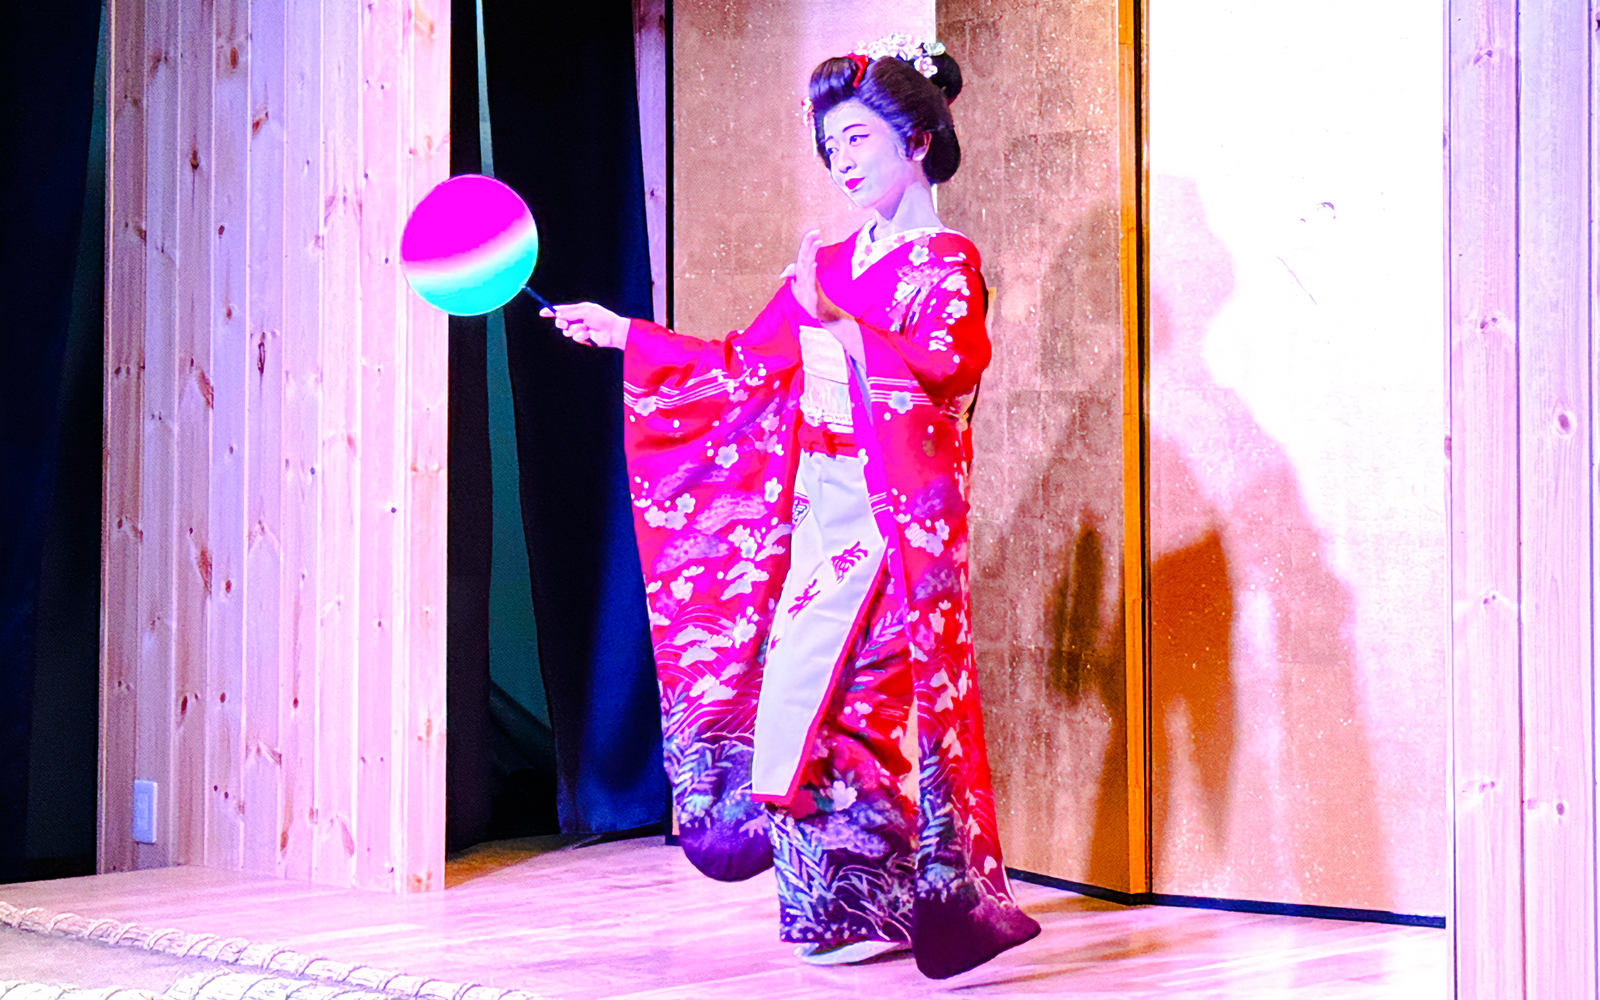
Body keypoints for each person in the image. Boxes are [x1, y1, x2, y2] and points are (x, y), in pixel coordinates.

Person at [542, 34, 1039, 979]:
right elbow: (745, 365)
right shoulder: (836, 259)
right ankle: (848, 904)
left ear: (919, 141)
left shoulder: (947, 263)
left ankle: (891, 899)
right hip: (828, 525)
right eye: (831, 149)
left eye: (856, 140)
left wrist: (845, 324)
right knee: (801, 708)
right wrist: (628, 337)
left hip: (899, 529)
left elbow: (948, 368)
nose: (841, 163)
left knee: (859, 712)